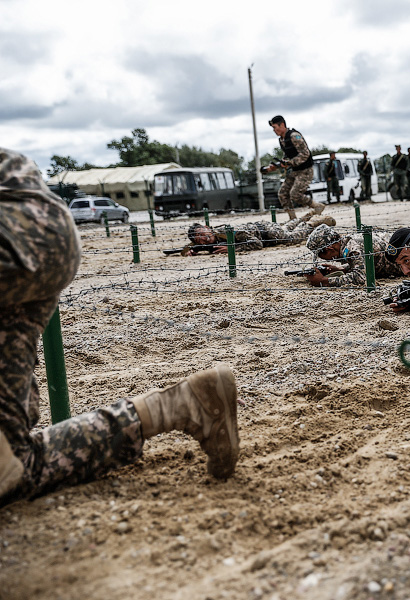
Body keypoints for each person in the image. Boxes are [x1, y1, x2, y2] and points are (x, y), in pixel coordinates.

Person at [0, 147, 240, 507]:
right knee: (10, 457)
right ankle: (178, 405)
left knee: (10, 469)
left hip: (14, 237)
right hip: (45, 221)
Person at [178, 215, 335, 256]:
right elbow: (186, 249)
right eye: (199, 239)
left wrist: (232, 249)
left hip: (266, 232)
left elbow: (256, 244)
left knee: (290, 238)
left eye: (202, 233)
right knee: (286, 229)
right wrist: (193, 250)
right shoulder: (211, 242)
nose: (204, 238)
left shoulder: (226, 233)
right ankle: (302, 218)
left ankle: (310, 222)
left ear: (207, 228)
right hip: (264, 229)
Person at [262, 115, 323, 221]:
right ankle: (293, 219)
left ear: (282, 125)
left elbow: (305, 153)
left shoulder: (294, 136)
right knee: (283, 194)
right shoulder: (282, 140)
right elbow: (287, 157)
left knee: (295, 195)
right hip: (295, 171)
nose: (274, 130)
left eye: (275, 127)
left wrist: (289, 163)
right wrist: (274, 167)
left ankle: (317, 206)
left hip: (305, 170)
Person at [304, 224, 403, 287]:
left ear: (329, 249)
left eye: (320, 254)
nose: (322, 258)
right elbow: (366, 264)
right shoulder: (349, 242)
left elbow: (360, 278)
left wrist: (324, 281)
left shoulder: (353, 249)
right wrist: (342, 269)